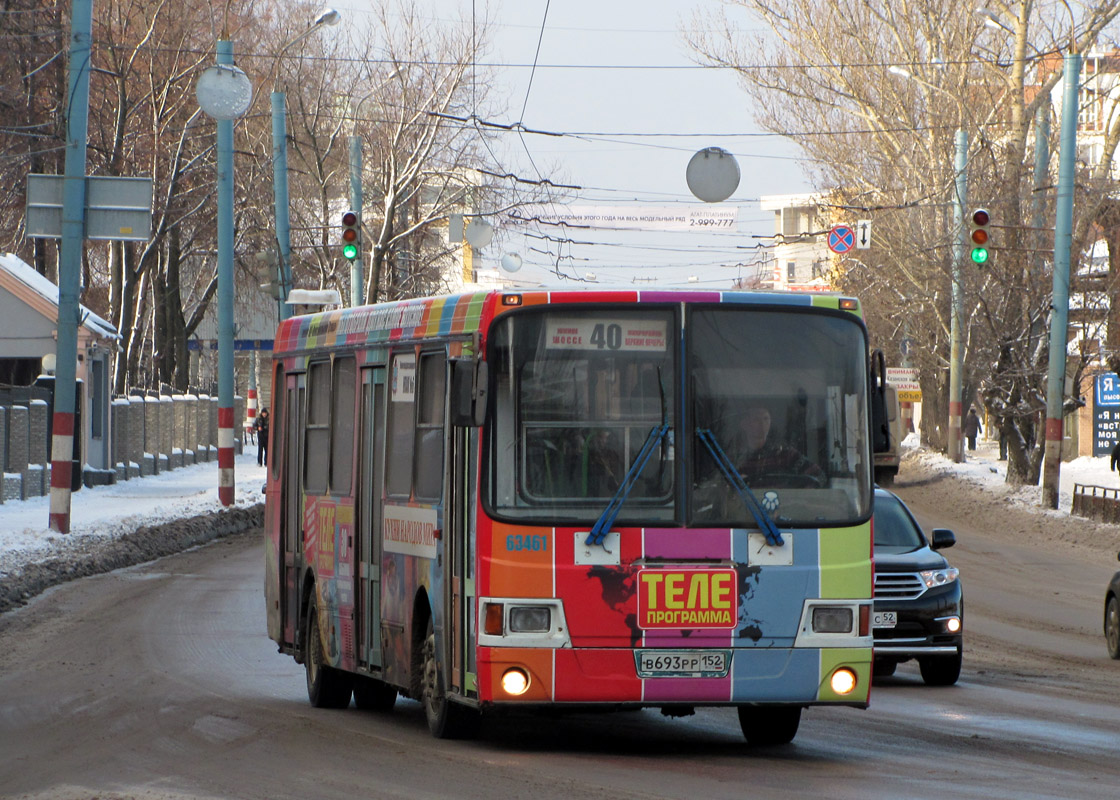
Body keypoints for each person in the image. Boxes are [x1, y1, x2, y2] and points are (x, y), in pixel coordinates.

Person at [733, 406, 822, 485]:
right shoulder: (734, 458)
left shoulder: (785, 454)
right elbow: (723, 486)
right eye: (756, 419)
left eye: (766, 419)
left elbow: (819, 476)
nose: (762, 424)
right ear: (744, 424)